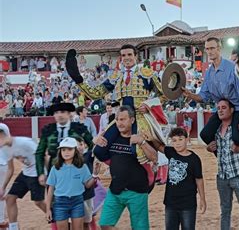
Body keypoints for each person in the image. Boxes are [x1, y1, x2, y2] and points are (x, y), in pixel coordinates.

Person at [67, 45, 167, 187]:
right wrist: (78, 79)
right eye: (123, 55)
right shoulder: (116, 76)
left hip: (140, 117)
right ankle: (120, 168)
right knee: (99, 150)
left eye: (129, 54)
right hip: (121, 119)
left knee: (139, 151)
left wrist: (149, 105)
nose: (126, 58)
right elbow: (95, 93)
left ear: (135, 56)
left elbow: (164, 95)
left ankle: (149, 174)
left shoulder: (147, 73)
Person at [182, 37, 239, 154]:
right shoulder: (209, 73)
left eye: (212, 48)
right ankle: (223, 155)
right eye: (207, 49)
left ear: (219, 49)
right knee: (205, 135)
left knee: (237, 137)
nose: (209, 51)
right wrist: (190, 95)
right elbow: (203, 97)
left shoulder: (233, 68)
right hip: (223, 108)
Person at [93, 106, 157, 229]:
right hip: (115, 189)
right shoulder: (111, 139)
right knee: (105, 225)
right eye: (117, 119)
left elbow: (154, 157)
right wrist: (94, 139)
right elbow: (98, 152)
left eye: (123, 119)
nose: (119, 123)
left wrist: (142, 142)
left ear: (132, 120)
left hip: (137, 191)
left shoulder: (142, 134)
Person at [206, 99, 239, 230]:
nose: (220, 110)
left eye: (224, 107)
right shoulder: (215, 130)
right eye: (218, 108)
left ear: (232, 110)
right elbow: (214, 148)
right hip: (222, 177)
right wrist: (208, 148)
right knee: (225, 211)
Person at [153, 127, 206, 230]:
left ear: (187, 139)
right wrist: (150, 136)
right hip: (170, 203)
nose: (177, 143)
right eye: (174, 140)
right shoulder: (171, 152)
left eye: (180, 139)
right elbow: (159, 146)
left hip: (188, 204)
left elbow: (199, 179)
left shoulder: (194, 159)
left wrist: (202, 199)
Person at [45, 137, 98, 230]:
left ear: (75, 150)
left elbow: (87, 185)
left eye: (69, 149)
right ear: (60, 152)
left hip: (77, 202)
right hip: (60, 202)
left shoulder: (82, 167)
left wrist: (94, 175)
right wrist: (48, 209)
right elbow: (50, 189)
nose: (66, 152)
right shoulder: (55, 168)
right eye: (63, 150)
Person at [0, 124, 46, 230]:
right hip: (25, 173)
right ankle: (13, 228)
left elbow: (42, 154)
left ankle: (56, 217)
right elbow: (11, 169)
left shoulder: (24, 142)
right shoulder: (5, 149)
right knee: (10, 198)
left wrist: (43, 173)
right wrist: (3, 187)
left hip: (37, 173)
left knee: (38, 202)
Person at [35, 102, 93, 187]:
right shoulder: (48, 130)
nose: (59, 115)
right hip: (55, 171)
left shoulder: (79, 128)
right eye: (56, 112)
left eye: (62, 112)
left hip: (76, 170)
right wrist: (41, 173)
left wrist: (85, 162)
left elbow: (92, 146)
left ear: (69, 114)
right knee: (54, 197)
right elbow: (39, 152)